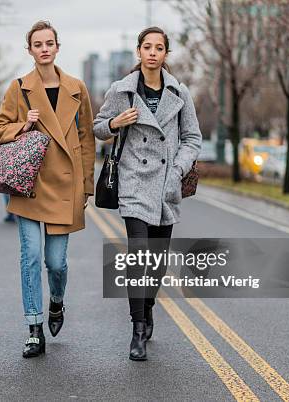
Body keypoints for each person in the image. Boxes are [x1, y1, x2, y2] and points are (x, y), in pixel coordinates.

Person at [93, 27, 202, 361]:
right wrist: (116, 123)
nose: (152, 53)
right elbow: (98, 127)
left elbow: (192, 138)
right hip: (134, 184)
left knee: (155, 263)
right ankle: (137, 329)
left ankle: (148, 305)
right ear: (138, 52)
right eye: (147, 47)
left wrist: (178, 169)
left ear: (165, 54)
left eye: (159, 48)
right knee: (138, 259)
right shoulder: (121, 90)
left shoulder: (179, 92)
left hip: (166, 185)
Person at [0, 20, 95, 358]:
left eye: (49, 42)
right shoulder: (19, 88)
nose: (44, 48)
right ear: (31, 50)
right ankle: (34, 328)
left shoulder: (77, 88)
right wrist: (25, 124)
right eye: (38, 44)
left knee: (57, 264)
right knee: (32, 258)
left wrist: (86, 186)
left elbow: (86, 140)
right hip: (29, 185)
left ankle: (56, 301)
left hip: (65, 187)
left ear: (57, 46)